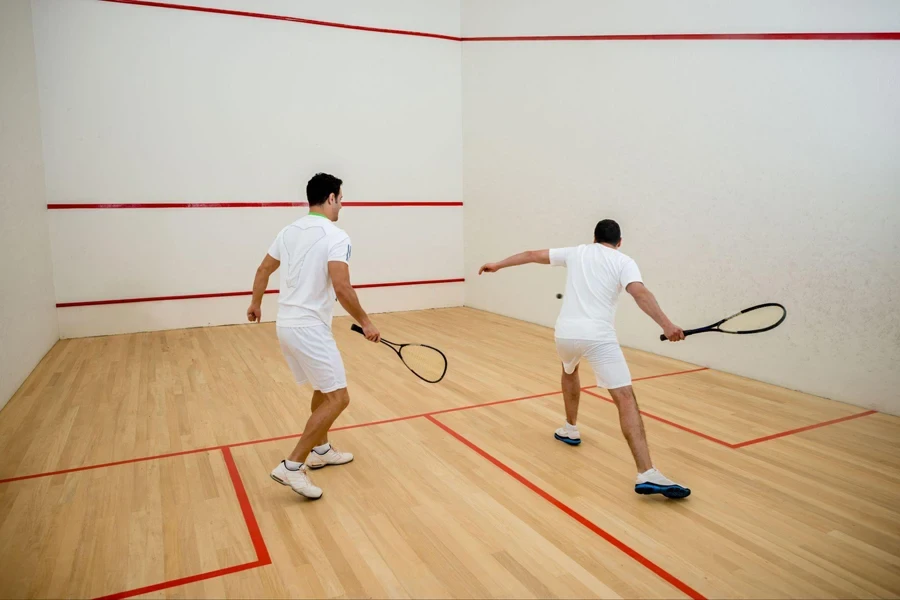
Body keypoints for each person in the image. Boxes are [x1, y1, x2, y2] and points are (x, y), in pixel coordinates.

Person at [478, 219, 691, 498]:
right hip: (598, 337)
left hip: (565, 334)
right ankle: (647, 473)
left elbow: (531, 255)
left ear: (594, 238)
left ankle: (570, 429)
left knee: (569, 371)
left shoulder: (576, 252)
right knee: (625, 398)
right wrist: (666, 324)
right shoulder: (624, 261)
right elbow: (639, 292)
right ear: (620, 242)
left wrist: (497, 264)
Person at [247, 172, 380, 500]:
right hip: (309, 329)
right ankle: (292, 466)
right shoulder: (336, 235)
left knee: (323, 389)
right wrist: (366, 322)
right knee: (340, 398)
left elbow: (264, 269)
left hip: (286, 326)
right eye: (341, 199)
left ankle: (320, 450)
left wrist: (255, 303)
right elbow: (341, 285)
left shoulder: (289, 231)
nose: (342, 206)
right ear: (332, 198)